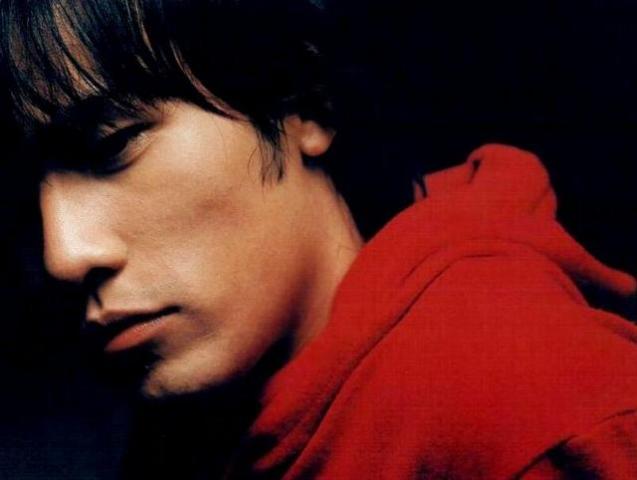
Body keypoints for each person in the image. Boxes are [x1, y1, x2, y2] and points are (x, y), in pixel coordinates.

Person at [2, 0, 637, 478]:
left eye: (111, 144)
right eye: (19, 201)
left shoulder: (533, 411)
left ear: (306, 106)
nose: (64, 254)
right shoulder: (191, 422)